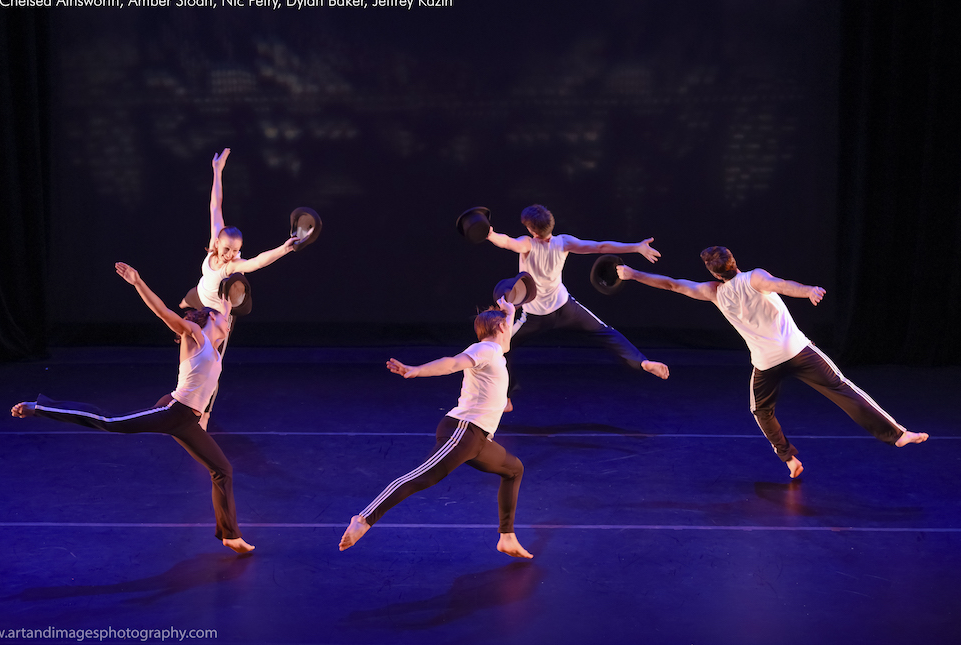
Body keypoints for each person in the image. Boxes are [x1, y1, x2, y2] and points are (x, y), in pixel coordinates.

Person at [616, 246, 929, 478]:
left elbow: (671, 284)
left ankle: (789, 459)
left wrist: (631, 274)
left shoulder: (713, 292)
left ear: (714, 273)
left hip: (766, 364)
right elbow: (781, 285)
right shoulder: (754, 278)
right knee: (843, 390)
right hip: (798, 351)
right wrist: (808, 292)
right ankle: (898, 435)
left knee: (760, 411)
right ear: (733, 262)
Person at [11, 262, 255, 553]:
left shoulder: (215, 346)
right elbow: (163, 312)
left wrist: (228, 298)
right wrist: (138, 282)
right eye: (221, 317)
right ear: (208, 320)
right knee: (111, 421)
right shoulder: (196, 336)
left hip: (188, 421)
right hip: (174, 411)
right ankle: (40, 407)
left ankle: (230, 535)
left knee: (222, 469)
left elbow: (227, 306)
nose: (228, 321)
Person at [339, 297, 533, 559]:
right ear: (500, 329)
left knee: (513, 469)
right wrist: (416, 370)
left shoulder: (496, 352)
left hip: (479, 440)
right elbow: (452, 363)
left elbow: (505, 343)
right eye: (506, 325)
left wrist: (509, 312)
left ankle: (507, 537)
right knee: (422, 477)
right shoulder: (484, 349)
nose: (508, 329)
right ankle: (363, 519)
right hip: (462, 432)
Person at [485, 204, 670, 410]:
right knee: (606, 332)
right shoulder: (564, 242)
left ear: (531, 230)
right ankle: (642, 362)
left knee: (499, 347)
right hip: (566, 309)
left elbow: (507, 243)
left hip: (535, 317)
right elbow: (600, 247)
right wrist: (636, 247)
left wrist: (490, 234)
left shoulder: (527, 244)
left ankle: (507, 399)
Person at [181, 148, 303, 428]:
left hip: (216, 315)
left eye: (235, 251)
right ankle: (184, 304)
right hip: (199, 295)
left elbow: (259, 262)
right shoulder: (216, 242)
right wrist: (217, 170)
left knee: (213, 365)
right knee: (183, 303)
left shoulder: (231, 266)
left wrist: (284, 249)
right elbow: (216, 204)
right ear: (218, 242)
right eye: (226, 249)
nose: (230, 255)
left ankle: (205, 414)